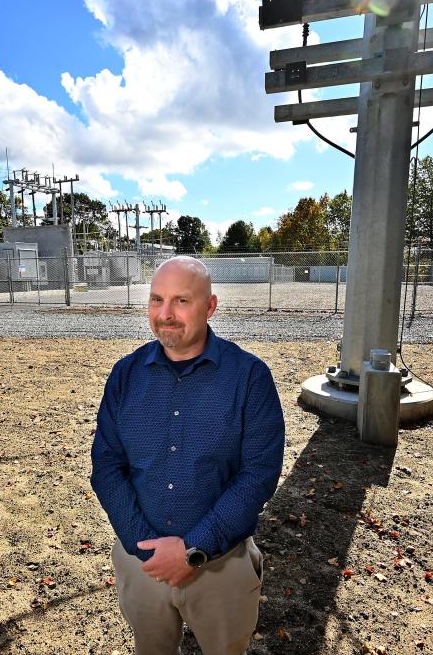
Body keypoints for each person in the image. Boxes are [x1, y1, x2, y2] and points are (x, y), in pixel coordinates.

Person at [91, 255, 285, 655]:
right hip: (142, 564)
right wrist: (146, 545)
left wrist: (193, 548)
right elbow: (107, 466)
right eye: (156, 300)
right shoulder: (125, 376)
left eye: (181, 301)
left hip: (221, 567)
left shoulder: (249, 377)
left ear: (210, 306)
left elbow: (258, 475)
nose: (165, 314)